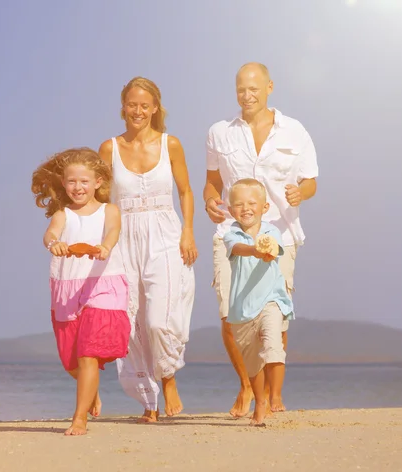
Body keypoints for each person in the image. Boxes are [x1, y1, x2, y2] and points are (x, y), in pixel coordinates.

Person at [204, 62, 318, 417]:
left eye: (254, 88)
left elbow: (311, 181)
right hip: (232, 235)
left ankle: (269, 395)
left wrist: (301, 193)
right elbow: (212, 182)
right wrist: (210, 200)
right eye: (241, 89)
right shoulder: (219, 132)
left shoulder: (295, 131)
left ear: (269, 87)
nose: (247, 95)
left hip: (280, 233)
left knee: (276, 316)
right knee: (230, 316)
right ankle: (246, 385)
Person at [98, 76, 197, 423]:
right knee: (131, 321)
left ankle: (168, 377)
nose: (137, 111)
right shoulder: (109, 148)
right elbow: (100, 200)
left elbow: (185, 191)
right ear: (123, 107)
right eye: (132, 104)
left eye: (145, 105)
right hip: (124, 238)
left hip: (165, 234)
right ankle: (148, 402)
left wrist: (188, 232)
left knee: (159, 319)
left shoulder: (171, 144)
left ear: (155, 108)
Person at [31, 147, 131, 435]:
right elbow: (50, 234)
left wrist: (106, 247)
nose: (78, 187)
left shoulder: (108, 210)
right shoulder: (63, 214)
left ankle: (79, 419)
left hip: (104, 283)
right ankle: (92, 391)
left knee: (89, 355)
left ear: (98, 182)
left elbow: (113, 231)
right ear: (64, 183)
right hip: (69, 287)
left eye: (84, 181)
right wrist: (54, 244)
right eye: (72, 181)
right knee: (71, 361)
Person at [223, 178, 294, 426]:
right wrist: (254, 250)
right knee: (253, 364)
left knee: (273, 345)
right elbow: (239, 249)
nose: (246, 208)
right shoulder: (231, 235)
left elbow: (273, 248)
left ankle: (275, 396)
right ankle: (259, 406)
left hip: (271, 301)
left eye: (252, 203)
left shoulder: (272, 231)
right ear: (231, 210)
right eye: (239, 204)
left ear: (264, 207)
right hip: (242, 310)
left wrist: (266, 249)